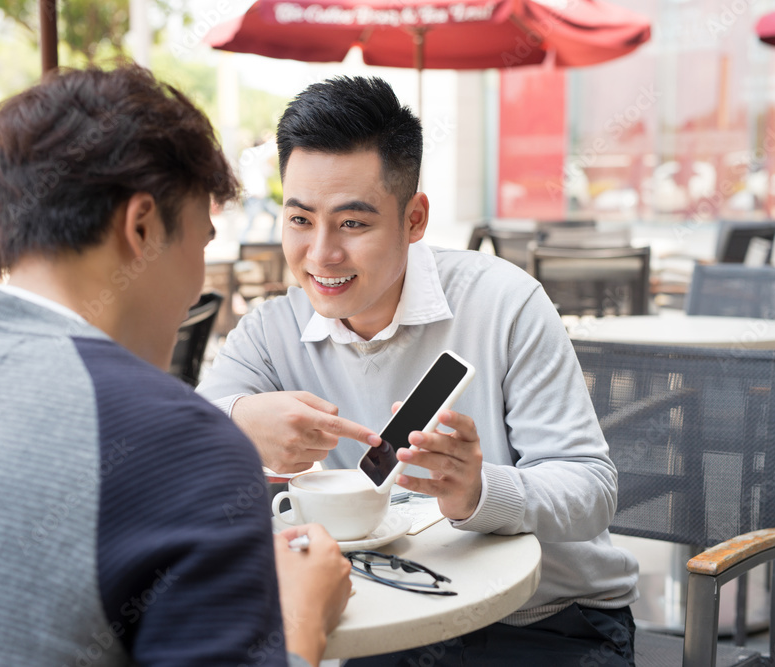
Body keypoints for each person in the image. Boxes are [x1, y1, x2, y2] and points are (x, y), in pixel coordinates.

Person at [0, 65, 350, 667]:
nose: (195, 285)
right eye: (202, 242)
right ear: (142, 226)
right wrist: (300, 617)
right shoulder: (183, 441)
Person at [196, 76, 640, 666]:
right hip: (384, 620)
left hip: (544, 621)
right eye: (300, 220)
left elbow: (591, 490)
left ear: (415, 219)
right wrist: (241, 418)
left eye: (353, 224)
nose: (322, 254)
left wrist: (481, 491)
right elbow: (190, 434)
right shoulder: (271, 331)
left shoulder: (504, 302)